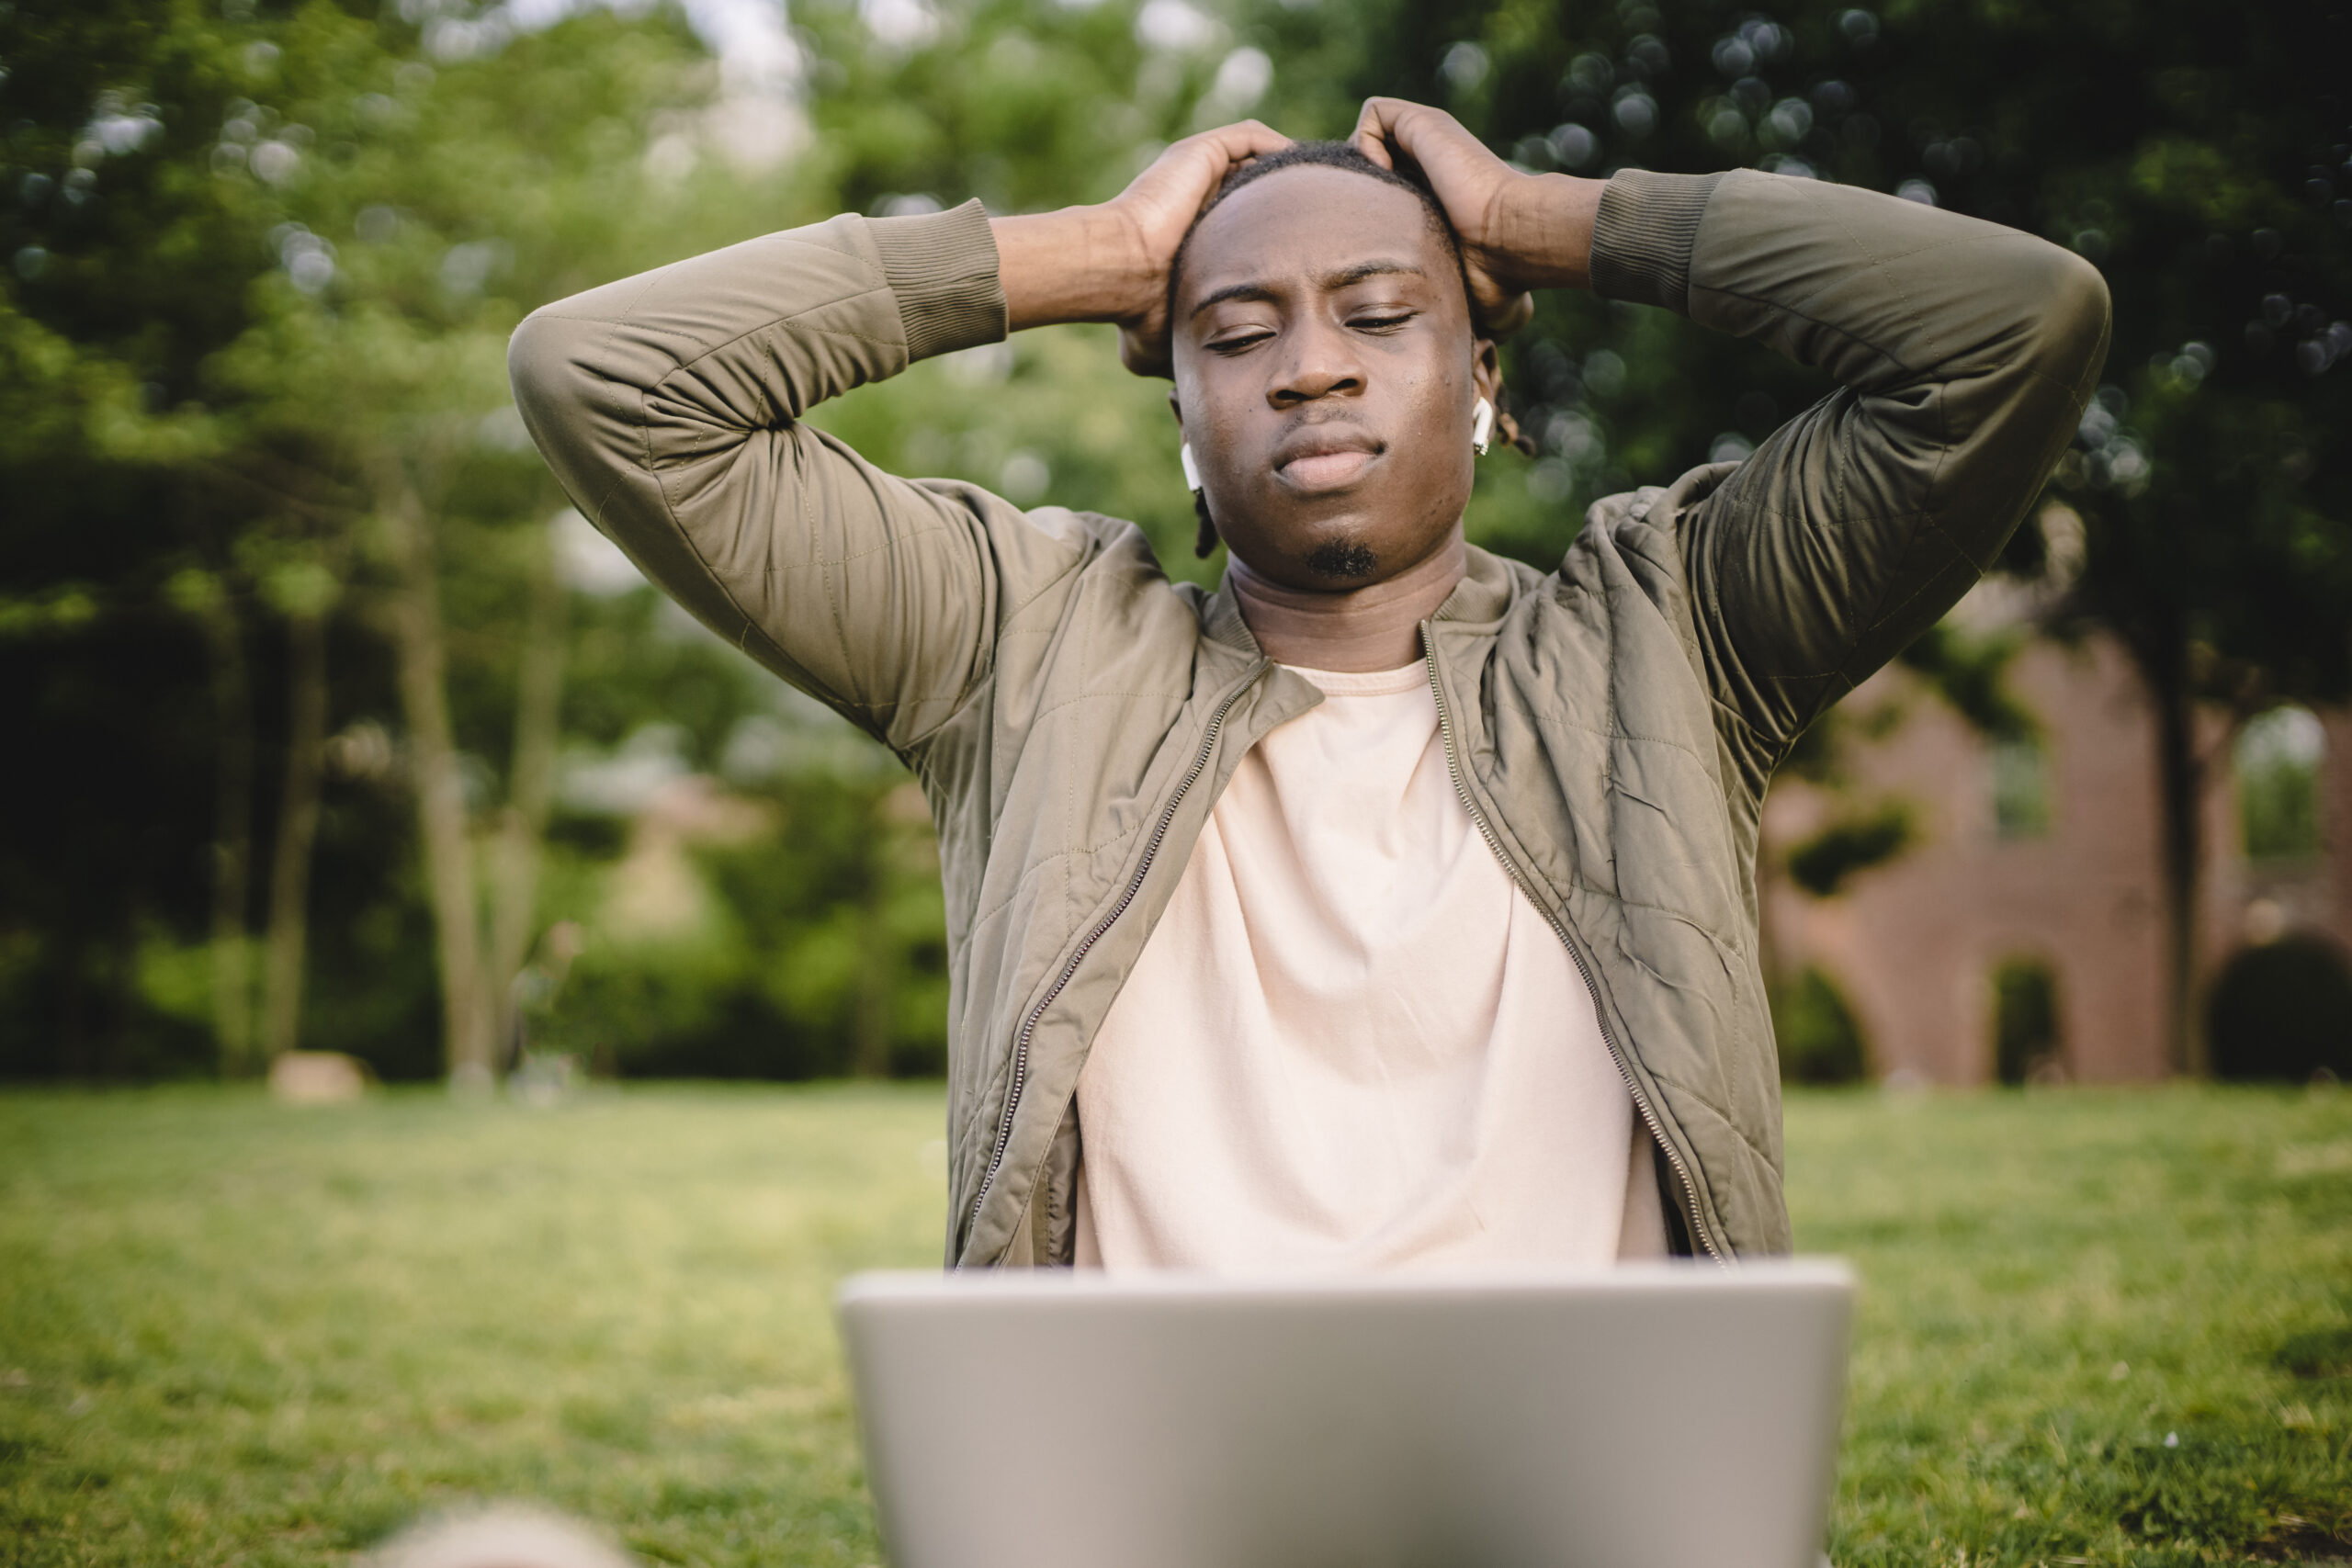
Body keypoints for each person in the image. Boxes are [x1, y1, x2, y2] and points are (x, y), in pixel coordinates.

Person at [510, 99, 2109, 1270]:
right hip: (1149, 1492)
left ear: (1483, 377)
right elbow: (606, 382)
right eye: (1235, 330)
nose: (1313, 364)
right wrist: (1098, 251)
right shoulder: (1019, 644)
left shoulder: (1673, 635)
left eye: (1382, 313)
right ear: (1182, 412)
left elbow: (2012, 330)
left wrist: (1539, 219)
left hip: (1581, 1493)